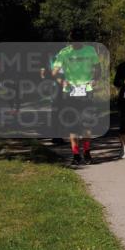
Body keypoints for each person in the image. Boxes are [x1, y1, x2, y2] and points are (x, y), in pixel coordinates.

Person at [52, 34, 102, 166]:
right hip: (70, 92)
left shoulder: (90, 50)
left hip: (86, 91)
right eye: (74, 39)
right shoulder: (64, 52)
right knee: (72, 125)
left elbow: (98, 69)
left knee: (87, 124)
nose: (76, 42)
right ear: (71, 40)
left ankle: (86, 153)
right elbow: (54, 72)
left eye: (78, 39)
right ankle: (75, 155)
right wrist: (62, 82)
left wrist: (95, 81)